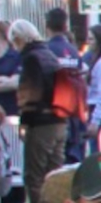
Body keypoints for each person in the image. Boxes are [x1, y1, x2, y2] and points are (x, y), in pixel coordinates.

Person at [15, 16, 77, 190]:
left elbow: (30, 95)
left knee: (34, 176)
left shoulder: (31, 58)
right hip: (60, 120)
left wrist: (24, 122)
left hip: (41, 123)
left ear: (18, 38)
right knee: (55, 175)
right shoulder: (48, 54)